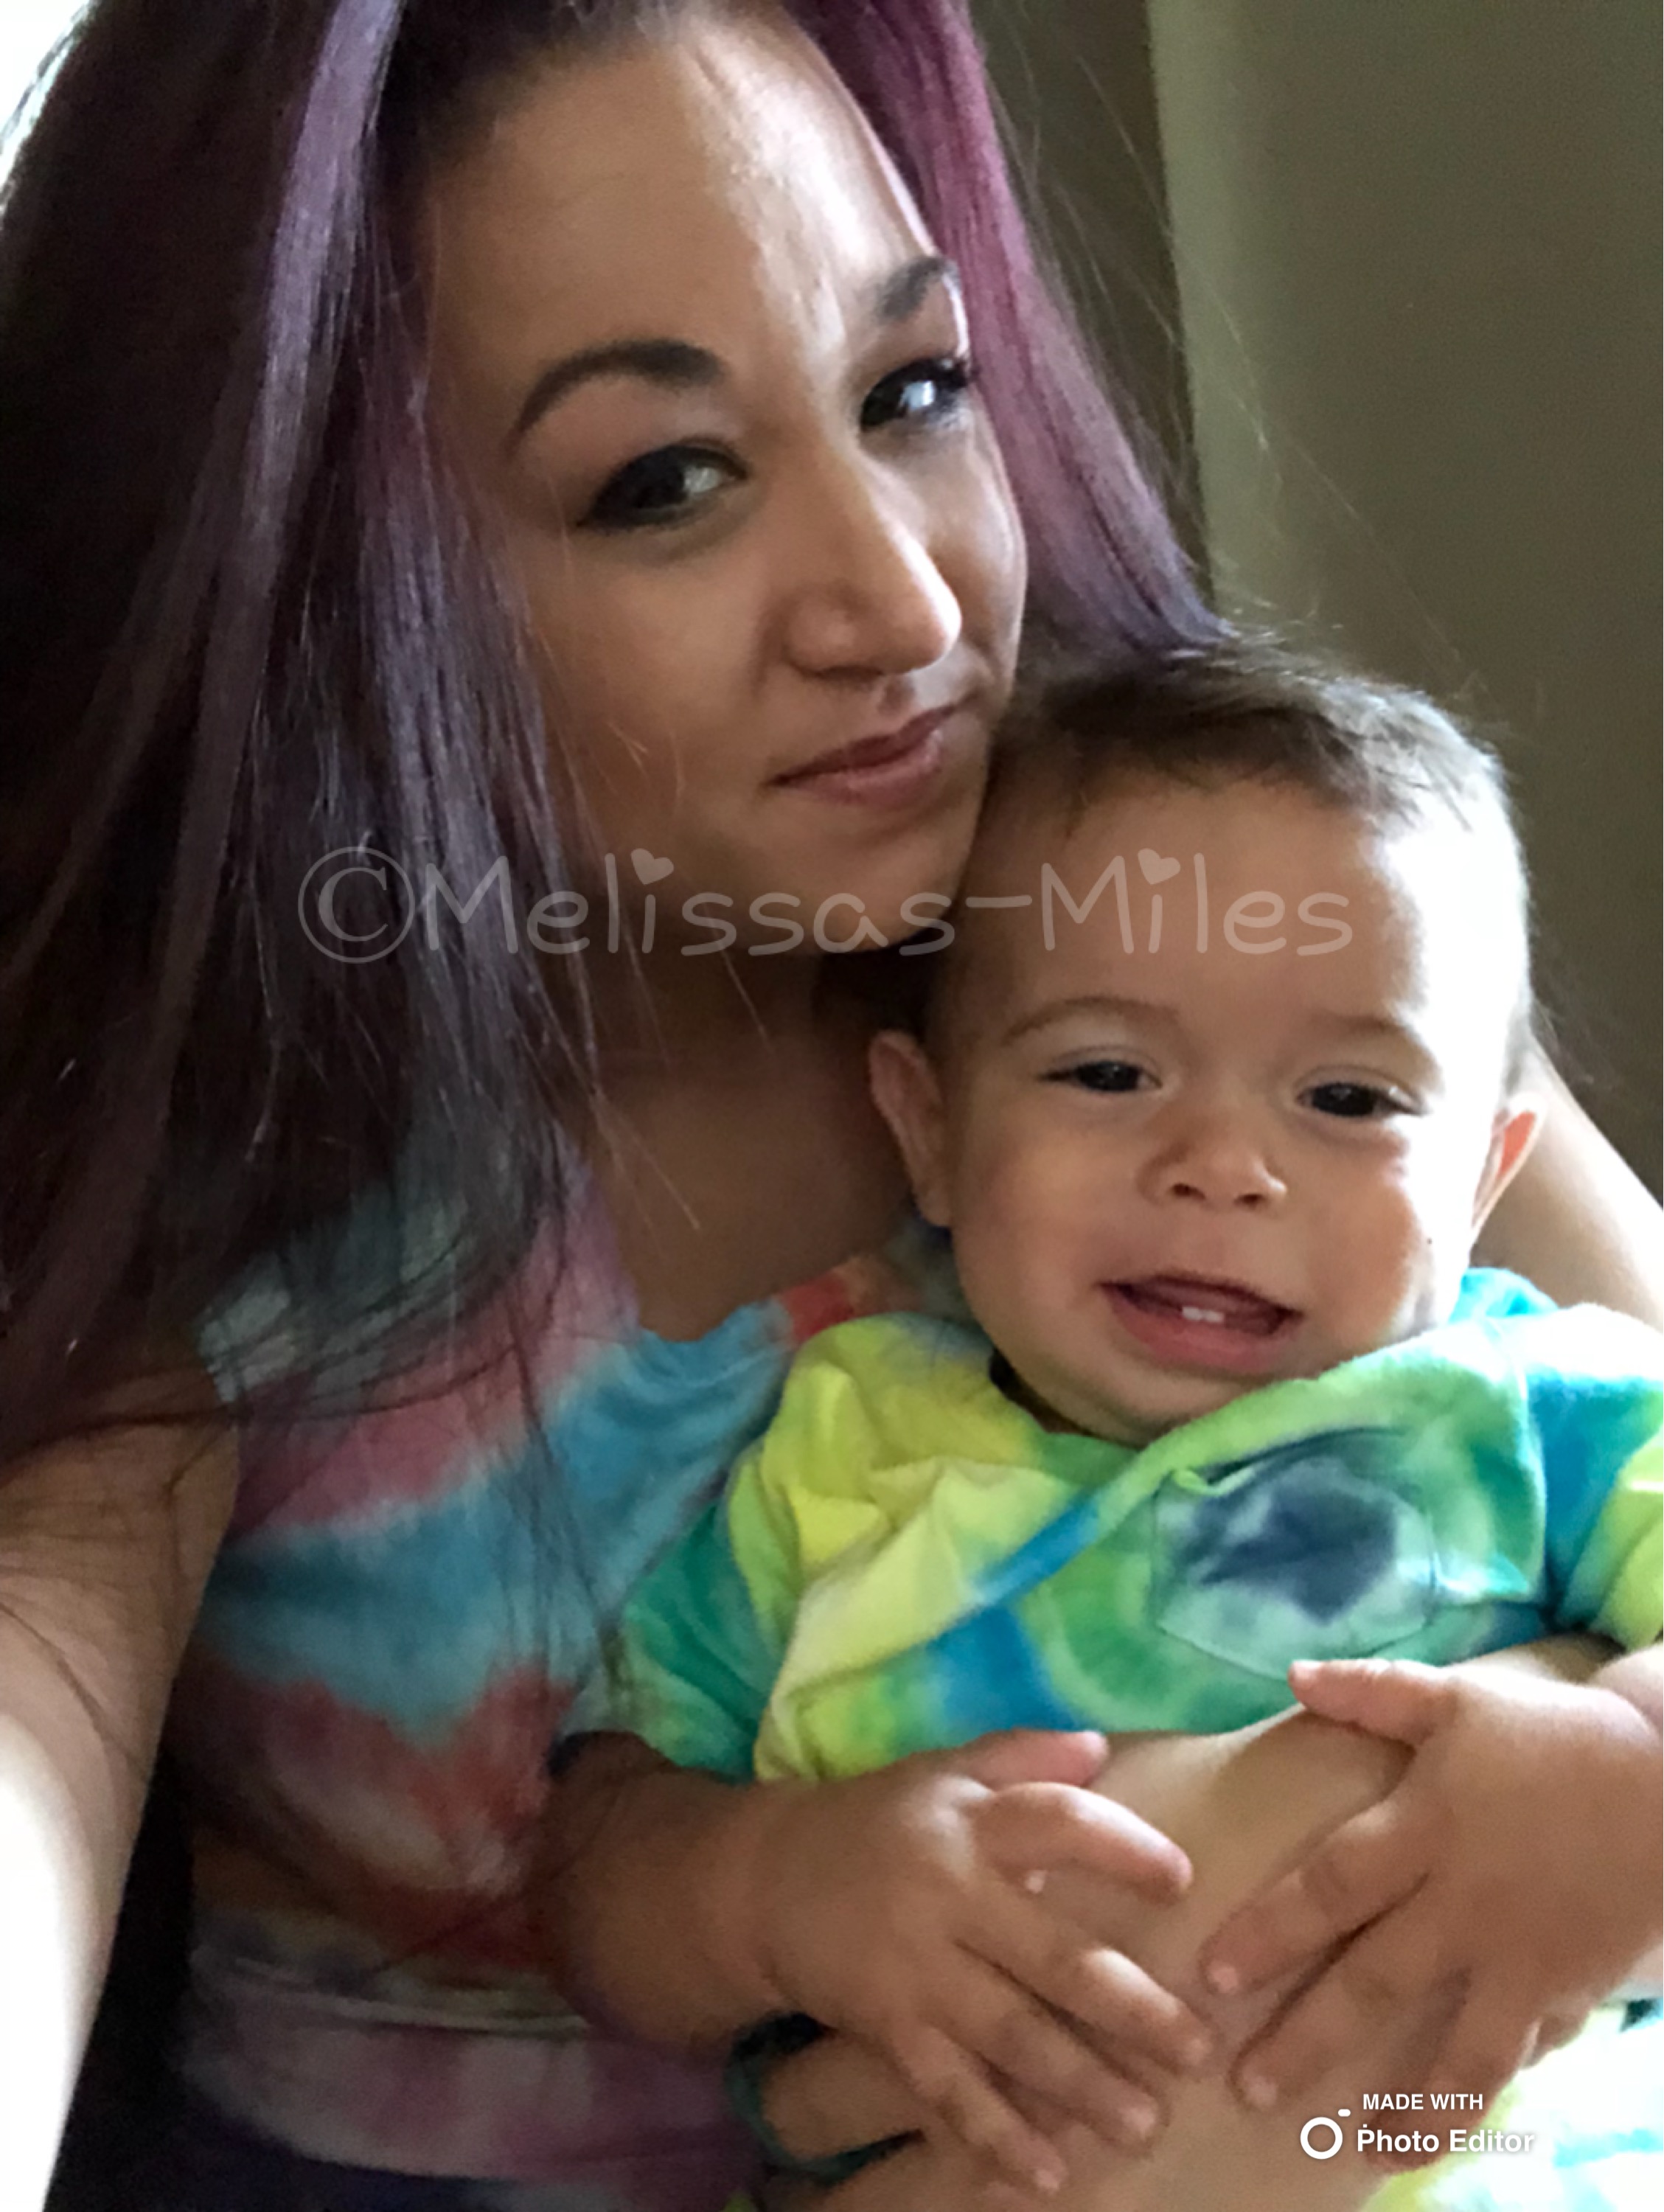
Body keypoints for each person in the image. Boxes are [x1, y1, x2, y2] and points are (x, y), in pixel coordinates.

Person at [0, 4, 1657, 2210]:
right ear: (294, 573)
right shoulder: (193, 1202)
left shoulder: (1267, 955)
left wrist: (1570, 1801)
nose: (901, 602)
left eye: (914, 392)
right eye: (663, 483)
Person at [585, 643, 1663, 2207]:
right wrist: (770, 1886)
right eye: (1107, 1071)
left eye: (1348, 1101)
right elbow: (603, 1839)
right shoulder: (840, 1451)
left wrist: (1630, 1761)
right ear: (929, 1130)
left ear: (1486, 1178)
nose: (1221, 1164)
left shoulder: (1539, 1409)